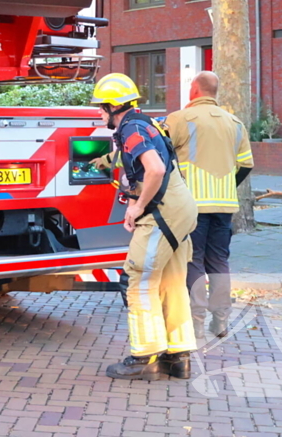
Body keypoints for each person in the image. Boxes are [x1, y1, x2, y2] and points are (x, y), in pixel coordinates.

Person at [90, 72, 198, 381]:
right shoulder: (145, 123)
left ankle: (145, 357)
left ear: (113, 106)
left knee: (138, 279)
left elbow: (155, 169)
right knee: (171, 281)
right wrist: (105, 164)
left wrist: (137, 207)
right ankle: (178, 357)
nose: (100, 113)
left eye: (101, 107)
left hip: (162, 213)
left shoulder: (131, 129)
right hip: (179, 208)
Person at [165, 71, 254, 341]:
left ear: (194, 90)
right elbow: (246, 164)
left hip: (192, 205)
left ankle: (196, 323)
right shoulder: (235, 123)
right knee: (219, 261)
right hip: (224, 205)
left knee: (193, 260)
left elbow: (157, 155)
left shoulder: (179, 119)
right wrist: (226, 187)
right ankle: (221, 321)